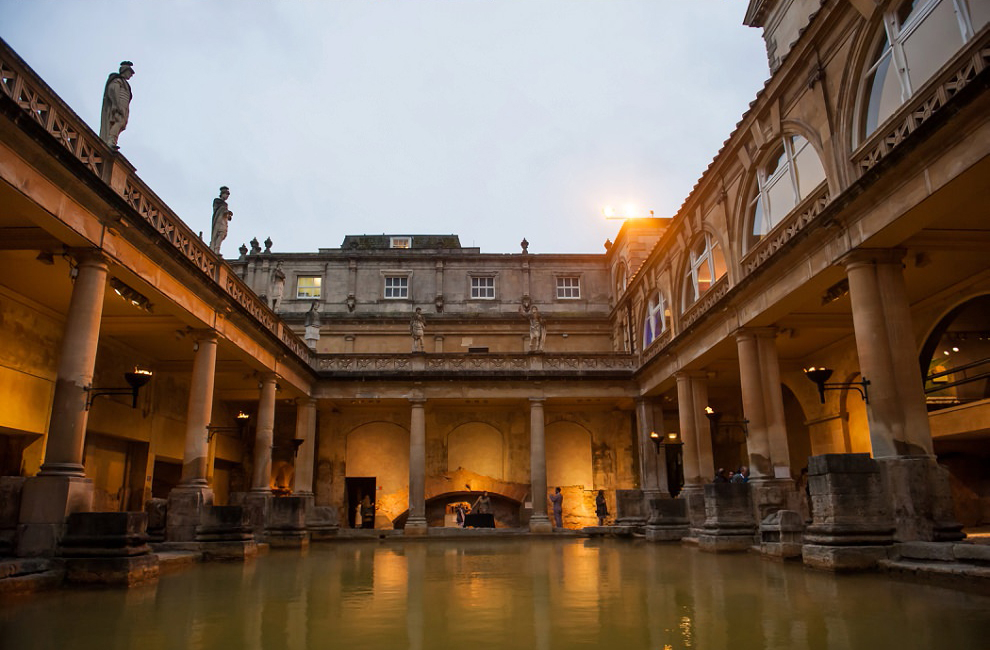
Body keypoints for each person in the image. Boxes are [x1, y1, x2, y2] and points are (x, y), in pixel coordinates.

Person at [100, 61, 134, 148]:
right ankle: (111, 141)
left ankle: (112, 140)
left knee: (122, 123)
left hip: (124, 106)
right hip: (119, 104)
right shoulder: (117, 80)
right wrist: (116, 104)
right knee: (118, 121)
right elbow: (113, 90)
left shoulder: (124, 83)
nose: (131, 75)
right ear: (125, 71)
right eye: (130, 72)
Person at [210, 186, 233, 254]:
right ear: (222, 194)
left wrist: (229, 216)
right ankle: (215, 248)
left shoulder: (225, 204)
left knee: (223, 233)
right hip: (218, 220)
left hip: (223, 220)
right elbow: (217, 210)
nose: (226, 197)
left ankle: (217, 248)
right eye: (226, 194)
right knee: (219, 233)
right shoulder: (217, 201)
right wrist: (225, 212)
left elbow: (225, 212)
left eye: (227, 195)